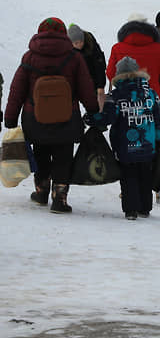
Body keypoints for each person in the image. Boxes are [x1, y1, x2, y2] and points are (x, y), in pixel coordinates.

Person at [4, 17, 99, 213]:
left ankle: (41, 191)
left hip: (35, 117)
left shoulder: (29, 57)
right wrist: (93, 109)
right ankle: (60, 199)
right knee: (63, 156)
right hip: (67, 116)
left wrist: (11, 117)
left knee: (41, 153)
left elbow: (17, 89)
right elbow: (85, 86)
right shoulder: (74, 58)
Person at [106, 14, 160, 204]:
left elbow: (111, 73)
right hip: (153, 103)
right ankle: (159, 186)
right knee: (153, 147)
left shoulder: (118, 48)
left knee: (129, 148)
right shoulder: (158, 48)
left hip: (125, 105)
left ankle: (130, 190)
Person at [97, 56, 160, 220]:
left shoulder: (116, 95)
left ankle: (131, 209)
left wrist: (93, 118)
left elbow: (109, 118)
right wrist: (159, 140)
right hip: (148, 143)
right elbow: (158, 119)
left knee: (128, 176)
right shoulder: (151, 93)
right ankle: (145, 208)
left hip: (125, 144)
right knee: (145, 175)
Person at [68, 23, 107, 111]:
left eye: (81, 41)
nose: (79, 45)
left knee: (97, 99)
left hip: (93, 76)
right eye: (76, 43)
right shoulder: (67, 50)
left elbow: (99, 65)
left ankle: (100, 117)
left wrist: (100, 85)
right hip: (77, 79)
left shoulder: (91, 43)